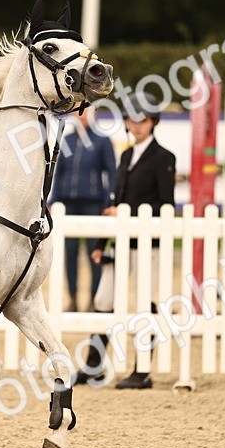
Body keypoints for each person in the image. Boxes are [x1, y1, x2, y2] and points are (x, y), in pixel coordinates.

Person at [84, 95, 177, 389]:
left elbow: (166, 205)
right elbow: (116, 201)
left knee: (143, 303)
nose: (136, 126)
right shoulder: (125, 155)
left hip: (145, 244)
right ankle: (93, 365)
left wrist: (127, 214)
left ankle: (142, 370)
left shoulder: (164, 158)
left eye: (143, 120)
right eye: (132, 120)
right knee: (103, 299)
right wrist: (101, 242)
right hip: (118, 243)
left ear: (153, 122)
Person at [50, 108, 116, 311]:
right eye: (77, 113)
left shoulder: (102, 141)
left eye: (85, 112)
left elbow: (111, 173)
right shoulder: (66, 141)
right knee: (69, 254)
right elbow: (58, 173)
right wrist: (53, 201)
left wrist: (109, 202)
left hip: (93, 204)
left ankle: (93, 300)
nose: (81, 116)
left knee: (93, 254)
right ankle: (72, 299)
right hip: (69, 204)